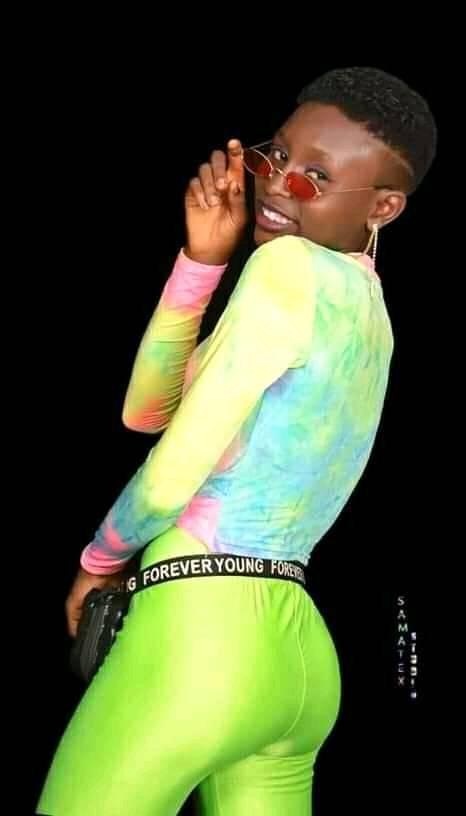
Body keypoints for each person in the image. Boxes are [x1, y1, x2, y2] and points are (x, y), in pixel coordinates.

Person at [37, 66, 437, 815]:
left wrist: (99, 562)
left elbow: (169, 471)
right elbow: (149, 408)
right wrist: (202, 261)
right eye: (275, 156)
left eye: (317, 177)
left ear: (384, 206)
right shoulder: (371, 315)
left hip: (202, 637)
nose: (278, 184)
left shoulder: (287, 269)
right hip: (299, 662)